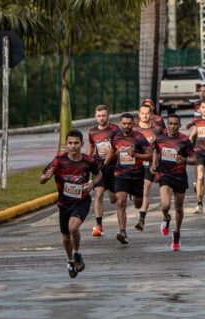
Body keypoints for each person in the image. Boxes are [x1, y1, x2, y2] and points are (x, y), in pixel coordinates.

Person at [41, 129, 100, 278]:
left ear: (82, 144)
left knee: (73, 227)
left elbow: (99, 174)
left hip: (81, 201)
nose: (73, 146)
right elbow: (42, 178)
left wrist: (92, 184)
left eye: (76, 143)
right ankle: (69, 260)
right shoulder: (59, 161)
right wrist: (46, 178)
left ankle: (77, 253)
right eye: (70, 143)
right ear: (66, 144)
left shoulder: (88, 161)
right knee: (66, 238)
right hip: (64, 203)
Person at [106, 113, 153, 245]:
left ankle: (133, 195)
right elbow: (113, 150)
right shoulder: (115, 137)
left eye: (129, 124)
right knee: (121, 201)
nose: (126, 126)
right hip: (121, 175)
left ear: (133, 124)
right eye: (124, 123)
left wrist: (136, 155)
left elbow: (150, 155)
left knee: (138, 204)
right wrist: (106, 163)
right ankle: (122, 231)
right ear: (120, 123)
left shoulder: (139, 137)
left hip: (136, 175)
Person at [150, 115, 194, 250]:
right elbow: (156, 150)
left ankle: (177, 233)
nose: (173, 126)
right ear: (167, 125)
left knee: (179, 208)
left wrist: (184, 160)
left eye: (175, 124)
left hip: (180, 177)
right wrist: (154, 164)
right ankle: (166, 218)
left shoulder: (184, 140)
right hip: (165, 175)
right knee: (165, 206)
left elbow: (194, 159)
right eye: (170, 124)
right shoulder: (160, 138)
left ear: (179, 125)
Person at [86, 105, 118, 237]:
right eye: (99, 116)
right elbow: (91, 146)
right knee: (98, 194)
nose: (101, 118)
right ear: (95, 116)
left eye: (104, 115)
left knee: (113, 199)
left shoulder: (115, 130)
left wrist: (112, 154)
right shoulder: (92, 131)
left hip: (113, 168)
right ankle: (99, 226)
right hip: (99, 168)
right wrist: (87, 162)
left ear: (108, 116)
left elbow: (119, 147)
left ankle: (111, 190)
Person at [133, 104, 161, 230]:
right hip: (133, 165)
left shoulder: (156, 131)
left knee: (145, 188)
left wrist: (155, 165)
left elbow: (157, 150)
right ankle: (133, 192)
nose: (145, 116)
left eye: (147, 113)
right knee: (137, 202)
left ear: (151, 115)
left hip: (148, 164)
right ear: (139, 114)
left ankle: (141, 219)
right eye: (142, 113)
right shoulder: (133, 129)